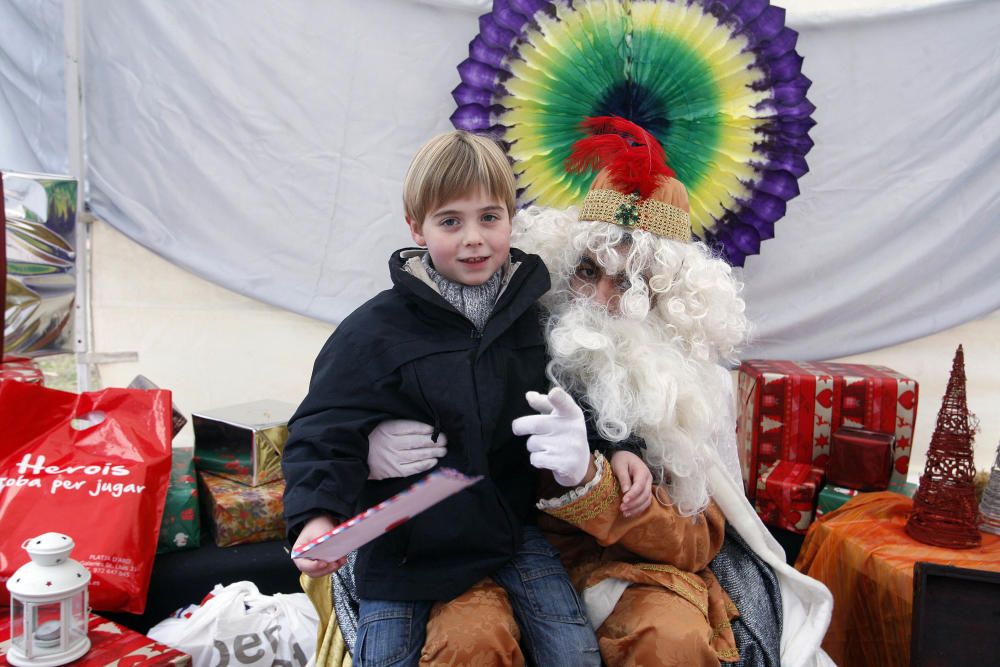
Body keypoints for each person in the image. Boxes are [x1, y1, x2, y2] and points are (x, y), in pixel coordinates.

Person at [356, 118, 834, 667]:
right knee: (468, 639)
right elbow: (391, 379)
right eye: (588, 270)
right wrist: (372, 439)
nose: (600, 298)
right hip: (497, 552)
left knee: (672, 639)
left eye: (628, 281)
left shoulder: (695, 385)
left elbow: (698, 543)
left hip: (634, 569)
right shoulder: (512, 333)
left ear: (669, 295)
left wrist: (594, 482)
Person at [281, 129, 602, 667]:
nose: (473, 238)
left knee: (573, 651)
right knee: (384, 656)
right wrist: (317, 516)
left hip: (506, 526)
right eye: (450, 221)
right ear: (417, 227)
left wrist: (620, 449)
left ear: (511, 217)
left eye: (489, 217)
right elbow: (322, 429)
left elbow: (590, 397)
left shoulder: (538, 319)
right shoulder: (375, 331)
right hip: (403, 535)